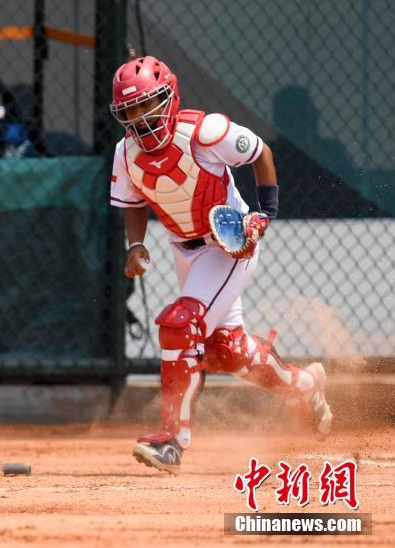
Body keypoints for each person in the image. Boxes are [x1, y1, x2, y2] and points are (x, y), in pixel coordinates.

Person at [107, 55, 333, 475]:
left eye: (147, 104)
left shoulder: (204, 132)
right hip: (184, 249)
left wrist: (264, 214)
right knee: (226, 351)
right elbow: (133, 201)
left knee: (180, 325)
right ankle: (304, 386)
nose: (141, 118)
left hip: (228, 243)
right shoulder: (126, 153)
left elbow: (261, 153)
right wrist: (135, 244)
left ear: (169, 97)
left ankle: (173, 440)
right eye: (130, 111)